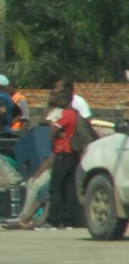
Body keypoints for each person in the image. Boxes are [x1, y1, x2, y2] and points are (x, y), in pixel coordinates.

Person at [47, 79, 84, 231]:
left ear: (65, 100)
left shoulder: (66, 114)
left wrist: (55, 131)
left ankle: (53, 220)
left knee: (55, 187)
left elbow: (52, 133)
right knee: (69, 188)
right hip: (72, 155)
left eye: (59, 99)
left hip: (63, 152)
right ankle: (68, 220)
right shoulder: (75, 115)